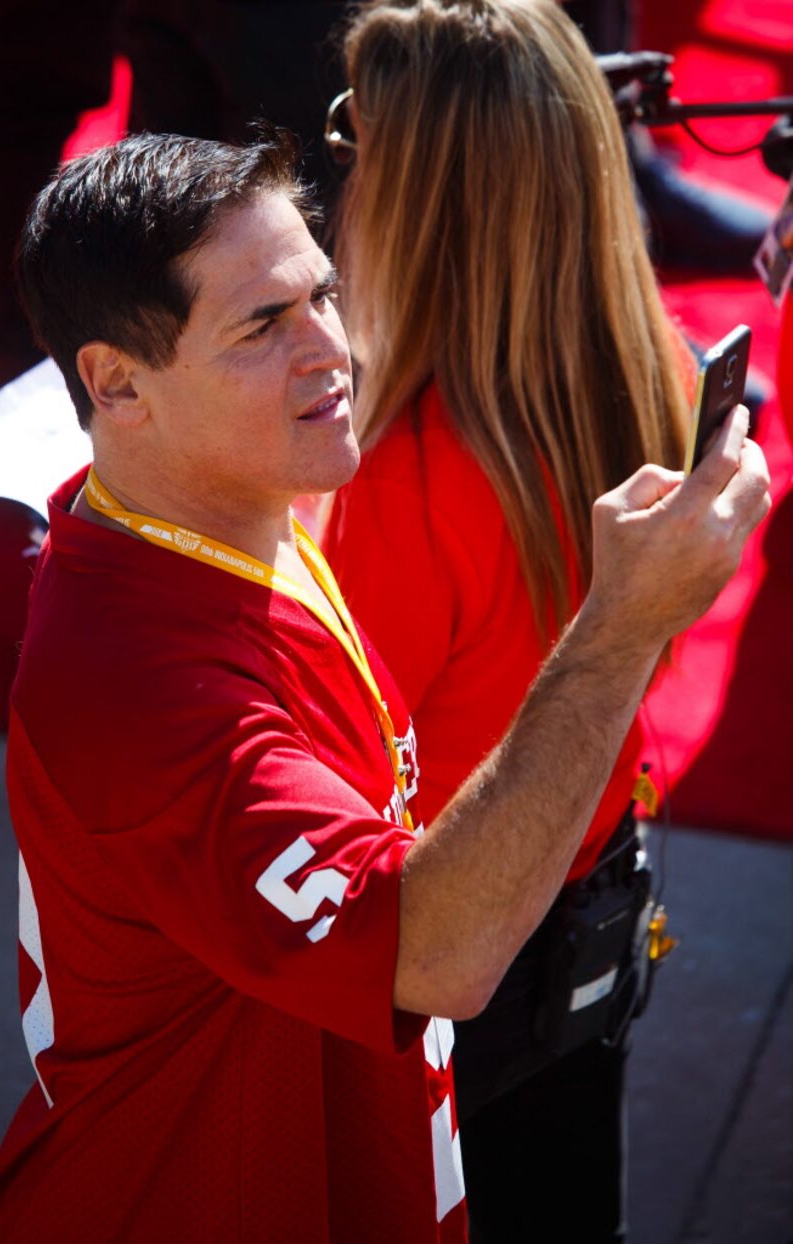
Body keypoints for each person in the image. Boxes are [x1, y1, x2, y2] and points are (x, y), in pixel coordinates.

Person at [0, 129, 768, 1243]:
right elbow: (430, 954)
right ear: (116, 382)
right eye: (262, 323)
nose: (330, 349)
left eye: (323, 295)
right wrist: (619, 625)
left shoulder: (220, 509)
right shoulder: (138, 689)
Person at [320, 1, 724, 1239]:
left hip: (450, 972)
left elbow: (326, 801)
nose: (340, 168)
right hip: (585, 915)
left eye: (355, 137)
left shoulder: (400, 482)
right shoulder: (648, 365)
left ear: (419, 194)